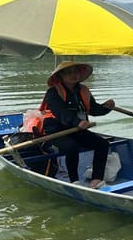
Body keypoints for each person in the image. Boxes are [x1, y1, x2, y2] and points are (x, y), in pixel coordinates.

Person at [42, 60, 115, 188]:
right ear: (61, 76)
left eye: (75, 71)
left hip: (77, 129)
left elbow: (93, 109)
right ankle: (74, 181)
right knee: (71, 146)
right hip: (56, 130)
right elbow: (61, 113)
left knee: (102, 144)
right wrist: (78, 122)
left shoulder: (83, 90)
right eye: (68, 72)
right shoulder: (53, 92)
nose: (73, 75)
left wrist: (106, 108)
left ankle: (97, 179)